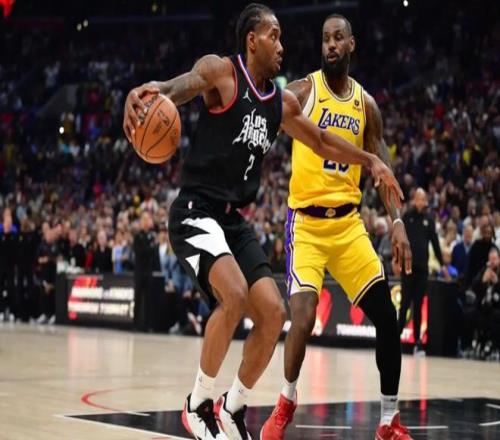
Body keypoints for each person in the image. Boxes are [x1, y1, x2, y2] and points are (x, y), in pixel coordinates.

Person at [123, 4, 403, 439]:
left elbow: (321, 140)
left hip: (234, 221)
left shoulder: (280, 102)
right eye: (274, 35)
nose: (282, 45)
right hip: (196, 209)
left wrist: (369, 160)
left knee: (274, 314)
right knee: (234, 296)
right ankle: (198, 403)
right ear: (252, 40)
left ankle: (232, 406)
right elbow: (175, 89)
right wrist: (146, 93)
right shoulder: (221, 72)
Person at [260, 14, 413, 440]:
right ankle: (286, 401)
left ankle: (388, 420)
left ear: (351, 45)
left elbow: (382, 169)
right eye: (325, 38)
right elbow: (266, 105)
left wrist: (397, 221)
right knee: (304, 316)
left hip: (347, 226)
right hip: (306, 225)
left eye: (337, 38)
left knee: (387, 317)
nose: (330, 44)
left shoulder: (366, 106)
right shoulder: (303, 91)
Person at [399, 188, 443, 355]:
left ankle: (417, 343)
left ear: (426, 201)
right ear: (414, 200)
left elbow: (435, 242)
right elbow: (399, 241)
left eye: (423, 198)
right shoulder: (406, 217)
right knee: (404, 305)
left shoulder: (429, 220)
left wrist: (442, 265)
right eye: (418, 198)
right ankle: (395, 340)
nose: (420, 201)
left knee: (418, 306)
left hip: (422, 269)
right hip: (407, 268)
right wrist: (397, 260)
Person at [132, 211, 156, 331]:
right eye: (144, 219)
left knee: (148, 299)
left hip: (148, 272)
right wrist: (149, 248)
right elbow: (139, 252)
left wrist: (148, 249)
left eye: (148, 219)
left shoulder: (152, 236)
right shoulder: (137, 237)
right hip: (139, 272)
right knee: (138, 298)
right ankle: (135, 324)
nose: (146, 222)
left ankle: (147, 325)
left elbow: (153, 253)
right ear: (141, 222)